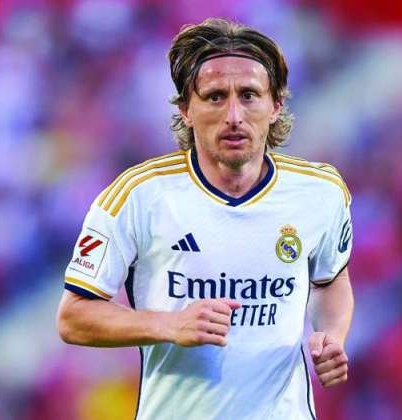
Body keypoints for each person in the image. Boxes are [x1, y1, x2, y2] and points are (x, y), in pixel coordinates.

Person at [56, 17, 354, 420]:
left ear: (276, 105)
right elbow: (73, 317)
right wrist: (169, 325)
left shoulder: (321, 192)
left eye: (249, 95)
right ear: (186, 110)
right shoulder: (138, 196)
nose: (234, 115)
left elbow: (330, 281)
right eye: (215, 97)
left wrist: (331, 336)